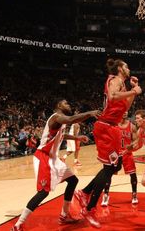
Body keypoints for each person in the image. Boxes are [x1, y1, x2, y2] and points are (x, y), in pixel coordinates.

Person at [11, 99, 99, 231]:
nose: (69, 104)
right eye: (66, 103)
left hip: (53, 158)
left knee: (73, 180)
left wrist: (77, 138)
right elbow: (71, 120)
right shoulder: (56, 118)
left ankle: (64, 215)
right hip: (44, 157)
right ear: (59, 106)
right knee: (43, 193)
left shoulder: (61, 122)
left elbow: (62, 136)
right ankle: (19, 224)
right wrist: (90, 113)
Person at [74, 58, 142, 228]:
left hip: (111, 128)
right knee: (110, 168)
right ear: (120, 68)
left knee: (116, 166)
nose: (128, 68)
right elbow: (112, 97)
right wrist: (134, 92)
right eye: (126, 66)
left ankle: (84, 193)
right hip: (105, 127)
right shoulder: (115, 80)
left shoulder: (123, 84)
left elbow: (125, 107)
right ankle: (88, 209)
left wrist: (133, 90)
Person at [101, 111, 139, 206]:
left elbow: (136, 140)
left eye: (126, 111)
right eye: (123, 110)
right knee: (108, 174)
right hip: (114, 153)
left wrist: (132, 145)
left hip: (127, 153)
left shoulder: (132, 126)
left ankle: (134, 194)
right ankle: (106, 195)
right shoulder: (113, 125)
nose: (125, 112)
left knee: (132, 174)